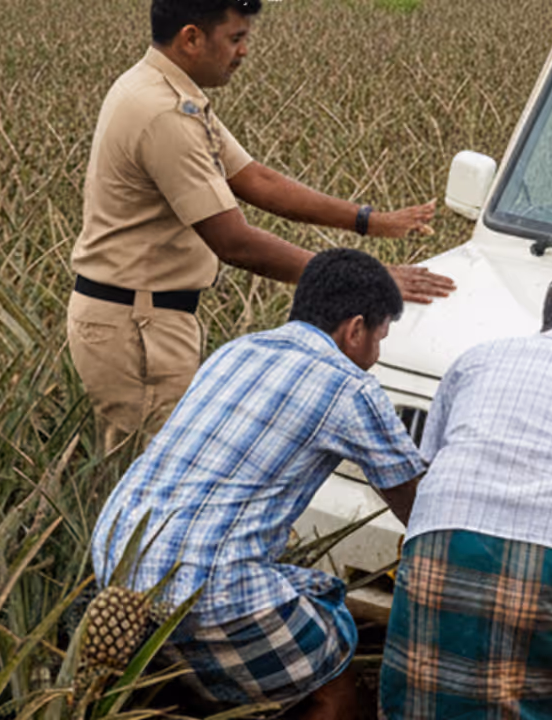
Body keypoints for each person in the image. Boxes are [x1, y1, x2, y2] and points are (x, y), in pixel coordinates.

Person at [69, 0, 454, 451]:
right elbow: (234, 242)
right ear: (191, 37)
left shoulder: (167, 92)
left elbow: (256, 179)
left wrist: (367, 221)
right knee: (148, 492)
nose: (245, 50)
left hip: (146, 318)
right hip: (136, 327)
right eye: (236, 38)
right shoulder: (162, 113)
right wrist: (356, 279)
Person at [90, 249, 426, 720]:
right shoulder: (350, 386)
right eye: (379, 338)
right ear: (354, 329)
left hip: (117, 560)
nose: (376, 355)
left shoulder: (236, 350)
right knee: (334, 673)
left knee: (313, 596)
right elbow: (418, 505)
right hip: (210, 588)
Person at [379, 271, 552, 720]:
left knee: (427, 697)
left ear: (549, 319)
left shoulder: (477, 359)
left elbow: (430, 469)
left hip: (438, 540)